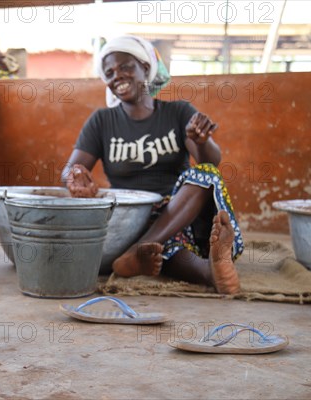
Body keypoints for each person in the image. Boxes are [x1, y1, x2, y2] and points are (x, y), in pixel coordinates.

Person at [62, 35, 244, 295]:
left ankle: (138, 252)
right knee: (164, 248)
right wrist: (75, 174)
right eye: (110, 72)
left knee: (205, 175)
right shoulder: (101, 121)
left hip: (179, 211)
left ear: (145, 69)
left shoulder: (178, 112)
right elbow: (70, 170)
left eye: (125, 67)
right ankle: (210, 272)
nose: (117, 76)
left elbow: (210, 162)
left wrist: (201, 141)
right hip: (130, 218)